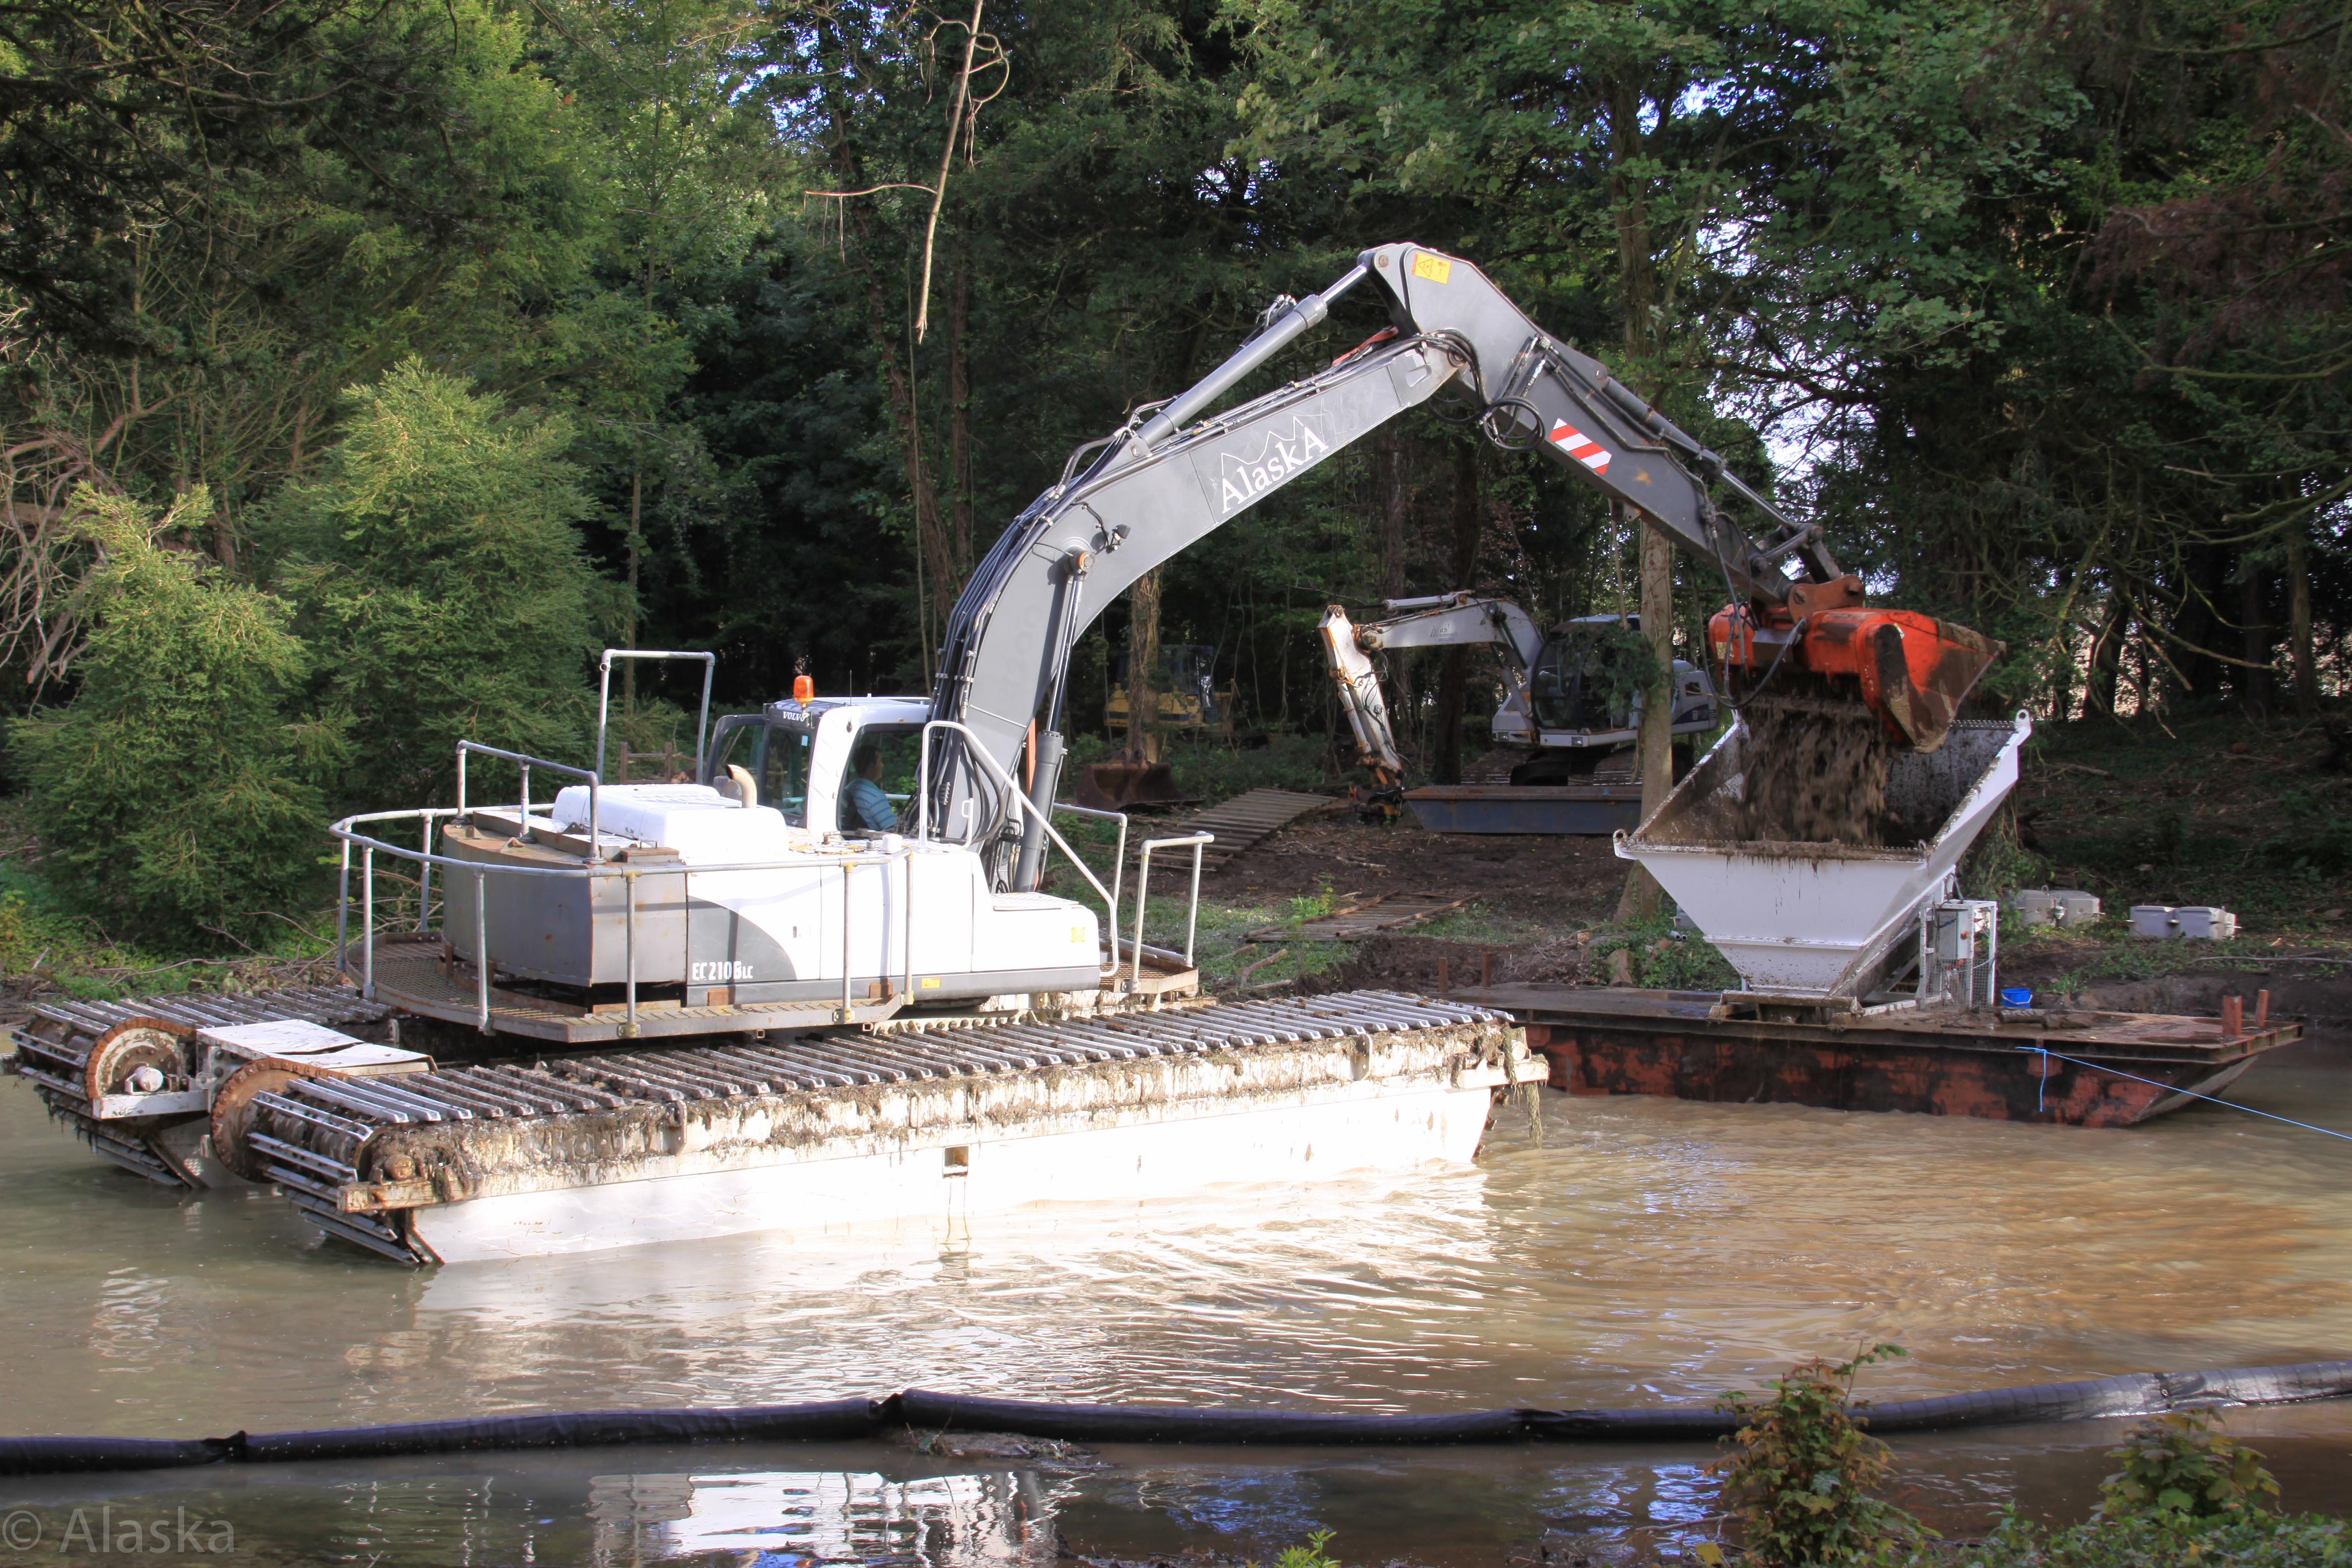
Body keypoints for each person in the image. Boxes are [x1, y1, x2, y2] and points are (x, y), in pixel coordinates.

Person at [843, 743, 898, 833]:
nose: (883, 765)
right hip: (873, 839)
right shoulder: (875, 796)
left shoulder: (849, 788)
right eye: (880, 761)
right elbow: (893, 830)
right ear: (871, 767)